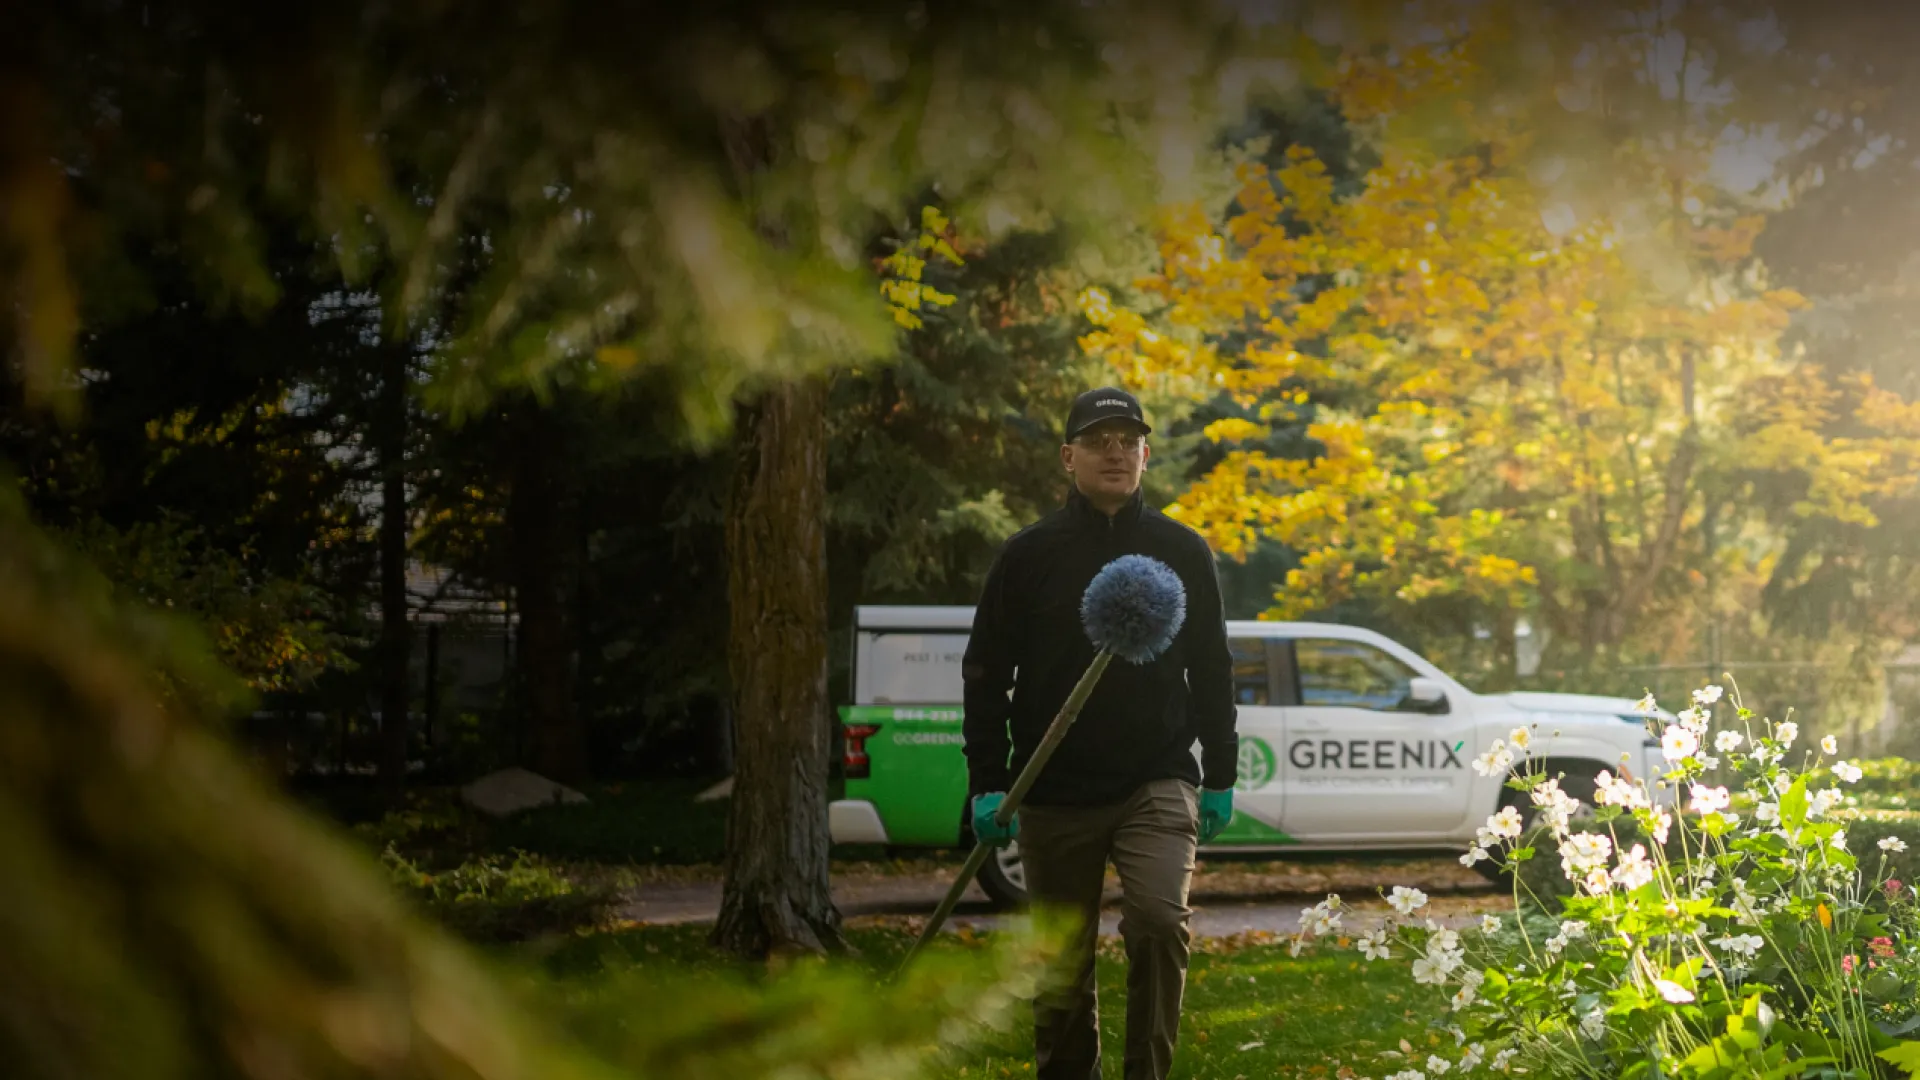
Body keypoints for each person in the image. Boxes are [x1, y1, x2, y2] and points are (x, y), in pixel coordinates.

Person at [961, 386, 1238, 1080]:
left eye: (1128, 440)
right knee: (1060, 959)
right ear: (1068, 457)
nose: (1115, 451)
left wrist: (1223, 773)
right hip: (1053, 789)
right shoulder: (1028, 556)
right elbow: (985, 674)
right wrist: (989, 784)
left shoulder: (1183, 549)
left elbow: (1211, 666)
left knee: (1156, 922)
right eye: (1098, 439)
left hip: (1157, 776)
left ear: (1145, 454)